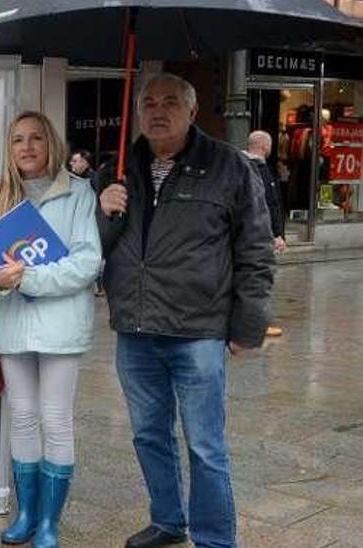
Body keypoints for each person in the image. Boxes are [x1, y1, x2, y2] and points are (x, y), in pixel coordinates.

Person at [96, 73, 274, 548]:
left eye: (170, 102)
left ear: (192, 112)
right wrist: (101, 209)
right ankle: (167, 520)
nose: (158, 111)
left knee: (205, 445)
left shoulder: (230, 166)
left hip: (198, 329)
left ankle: (215, 539)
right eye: (148, 102)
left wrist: (248, 324)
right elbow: (92, 249)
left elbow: (255, 248)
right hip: (134, 327)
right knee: (148, 435)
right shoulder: (116, 167)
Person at [0, 112, 101, 548]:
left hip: (61, 326)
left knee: (56, 419)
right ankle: (27, 513)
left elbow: (87, 261)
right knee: (22, 418)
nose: (26, 147)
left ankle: (50, 521)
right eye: (18, 140)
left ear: (51, 144)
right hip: (13, 325)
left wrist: (29, 278)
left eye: (36, 138)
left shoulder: (79, 193)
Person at [245, 130, 286, 338]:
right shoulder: (259, 170)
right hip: (258, 237)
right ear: (264, 146)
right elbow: (268, 204)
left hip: (251, 235)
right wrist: (276, 234)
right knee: (261, 279)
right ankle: (260, 323)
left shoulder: (243, 167)